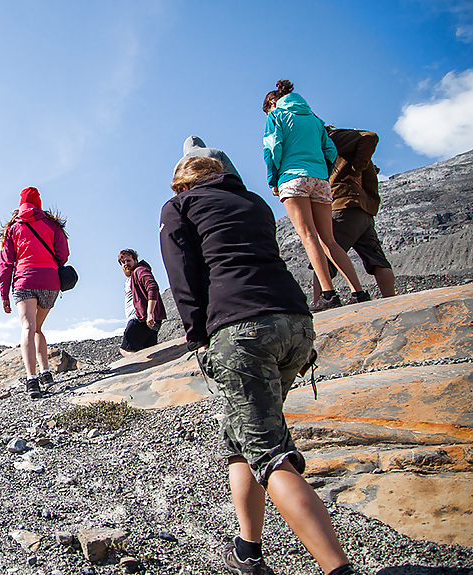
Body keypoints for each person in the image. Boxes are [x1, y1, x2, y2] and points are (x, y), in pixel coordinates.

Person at [160, 156, 356, 575]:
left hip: (241, 329)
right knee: (239, 435)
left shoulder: (179, 207)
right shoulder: (253, 202)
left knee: (269, 454)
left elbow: (182, 275)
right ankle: (248, 551)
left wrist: (198, 339)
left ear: (182, 184)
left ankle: (338, 569)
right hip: (297, 323)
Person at [262, 79, 370, 311]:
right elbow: (330, 150)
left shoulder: (276, 117)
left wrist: (273, 180)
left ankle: (328, 294)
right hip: (320, 180)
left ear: (272, 104)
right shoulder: (315, 120)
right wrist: (324, 173)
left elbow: (273, 148)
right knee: (328, 239)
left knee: (308, 236)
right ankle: (358, 291)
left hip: (292, 178)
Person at [309, 127, 395, 303]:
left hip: (343, 205)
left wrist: (354, 171)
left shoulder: (331, 138)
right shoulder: (349, 148)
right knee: (376, 257)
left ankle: (321, 303)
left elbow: (370, 136)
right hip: (362, 208)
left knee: (324, 255)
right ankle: (391, 301)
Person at [0, 186, 69, 399]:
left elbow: (6, 264)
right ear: (38, 202)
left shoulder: (13, 228)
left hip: (24, 280)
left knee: (28, 327)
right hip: (50, 282)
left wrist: (3, 293)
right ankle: (46, 372)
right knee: (38, 327)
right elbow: (63, 255)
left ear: (21, 204)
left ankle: (32, 380)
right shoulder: (52, 225)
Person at [117, 249, 168, 356]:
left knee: (126, 350)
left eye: (128, 260)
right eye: (123, 262)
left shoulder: (139, 271)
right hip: (149, 320)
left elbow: (152, 287)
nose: (126, 264)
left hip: (141, 318)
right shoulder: (132, 277)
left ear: (135, 260)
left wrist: (149, 313)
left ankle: (139, 367)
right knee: (150, 352)